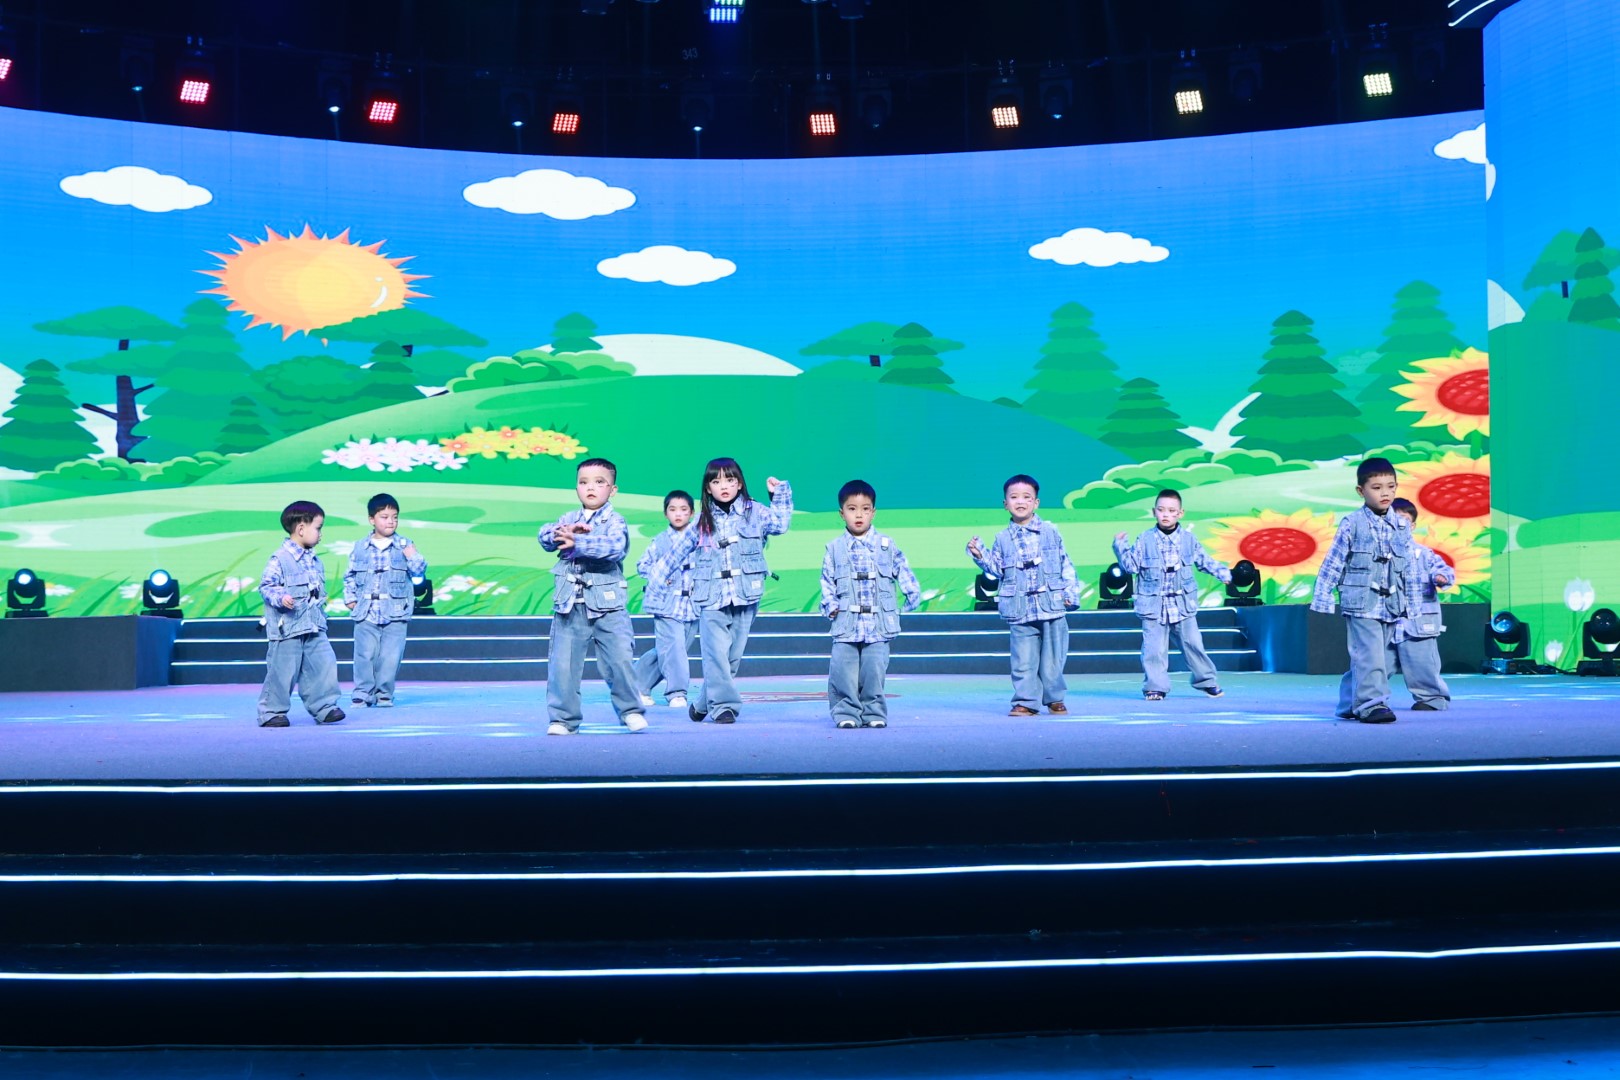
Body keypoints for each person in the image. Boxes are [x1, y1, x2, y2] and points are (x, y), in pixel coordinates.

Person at [665, 457, 793, 725]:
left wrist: (778, 494)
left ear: (739, 483)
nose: (724, 486)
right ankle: (725, 706)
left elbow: (780, 525)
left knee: (731, 658)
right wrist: (663, 578)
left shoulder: (755, 511)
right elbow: (677, 553)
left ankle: (702, 703)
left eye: (730, 480)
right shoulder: (700, 520)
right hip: (711, 597)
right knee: (715, 655)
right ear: (708, 487)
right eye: (716, 481)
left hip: (746, 594)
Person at [1310, 457, 1430, 724]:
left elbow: (1410, 567)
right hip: (1361, 602)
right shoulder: (1352, 523)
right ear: (1360, 491)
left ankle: (1348, 703)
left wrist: (1413, 604)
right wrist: (1323, 596)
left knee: (1378, 658)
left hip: (1391, 603)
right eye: (1376, 487)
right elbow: (1334, 561)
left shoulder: (1401, 526)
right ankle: (1372, 705)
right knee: (1370, 655)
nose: (1385, 493)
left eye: (1391, 486)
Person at [538, 457, 648, 735]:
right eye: (584, 482)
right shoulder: (568, 519)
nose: (590, 487)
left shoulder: (615, 521)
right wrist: (562, 533)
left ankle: (630, 710)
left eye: (600, 482)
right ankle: (563, 719)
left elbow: (615, 547)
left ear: (612, 490)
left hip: (608, 604)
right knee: (563, 666)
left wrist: (579, 541)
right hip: (569, 604)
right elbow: (544, 537)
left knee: (619, 661)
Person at [967, 474, 1079, 716]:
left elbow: (1065, 562)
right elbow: (997, 569)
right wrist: (979, 554)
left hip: (1051, 604)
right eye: (1014, 497)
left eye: (1027, 497)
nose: (1020, 502)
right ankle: (1026, 701)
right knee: (1023, 660)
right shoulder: (1002, 538)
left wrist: (1071, 592)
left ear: (1036, 502)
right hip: (1020, 608)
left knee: (1053, 659)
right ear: (1005, 503)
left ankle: (1055, 698)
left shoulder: (1050, 531)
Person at [1112, 489, 1233, 700]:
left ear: (1180, 513)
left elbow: (1204, 560)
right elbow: (1131, 566)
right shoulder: (1145, 539)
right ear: (1154, 512)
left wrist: (1222, 573)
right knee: (1154, 649)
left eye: (1171, 510)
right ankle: (1155, 687)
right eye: (1161, 510)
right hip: (1153, 604)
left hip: (1182, 603)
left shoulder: (1188, 539)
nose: (1165, 515)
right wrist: (1120, 546)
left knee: (1193, 645)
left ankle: (1207, 681)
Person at [820, 480, 922, 729]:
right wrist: (831, 605)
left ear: (873, 512)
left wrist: (911, 596)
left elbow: (903, 571)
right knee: (843, 670)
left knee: (874, 669)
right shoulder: (834, 548)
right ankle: (846, 712)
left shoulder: (887, 545)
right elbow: (827, 581)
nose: (859, 515)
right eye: (852, 509)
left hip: (878, 623)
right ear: (841, 513)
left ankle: (873, 711)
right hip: (846, 623)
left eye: (865, 509)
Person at [256, 500, 345, 728]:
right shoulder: (279, 559)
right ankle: (271, 711)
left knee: (324, 664)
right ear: (301, 528)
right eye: (318, 528)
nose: (321, 534)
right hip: (287, 628)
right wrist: (281, 597)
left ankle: (324, 707)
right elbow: (267, 586)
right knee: (282, 671)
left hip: (314, 625)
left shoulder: (315, 561)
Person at [342, 492, 426, 708]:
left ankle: (384, 694)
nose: (391, 521)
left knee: (390, 657)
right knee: (364, 655)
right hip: (366, 611)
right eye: (385, 517)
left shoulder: (405, 544)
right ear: (372, 519)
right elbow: (349, 575)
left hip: (396, 611)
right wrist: (350, 598)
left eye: (395, 517)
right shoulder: (360, 546)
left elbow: (418, 572)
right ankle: (362, 693)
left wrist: (413, 556)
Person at [633, 490, 698, 710]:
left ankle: (635, 684)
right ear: (665, 513)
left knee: (671, 650)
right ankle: (676, 693)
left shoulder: (700, 539)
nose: (678, 514)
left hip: (693, 604)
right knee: (674, 649)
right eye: (672, 509)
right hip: (666, 603)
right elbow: (642, 565)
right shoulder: (660, 541)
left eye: (683, 510)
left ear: (692, 513)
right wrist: (662, 576)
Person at [1390, 496, 1455, 711]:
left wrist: (1441, 577)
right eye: (1393, 520)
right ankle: (1360, 700)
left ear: (1413, 526)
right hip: (1384, 621)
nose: (1399, 525)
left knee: (1423, 663)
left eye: (1404, 520)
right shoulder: (1374, 554)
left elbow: (1443, 570)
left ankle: (1432, 699)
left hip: (1417, 621)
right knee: (1372, 665)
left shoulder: (1423, 554)